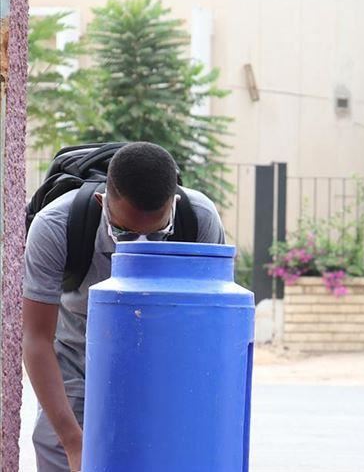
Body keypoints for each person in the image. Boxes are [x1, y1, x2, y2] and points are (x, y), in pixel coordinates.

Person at [23, 142, 226, 472]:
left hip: (164, 366)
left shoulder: (198, 219)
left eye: (157, 233)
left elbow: (211, 332)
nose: (140, 246)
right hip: (77, 361)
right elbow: (36, 338)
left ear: (173, 206)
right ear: (102, 202)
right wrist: (73, 442)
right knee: (56, 446)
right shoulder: (56, 225)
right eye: (124, 232)